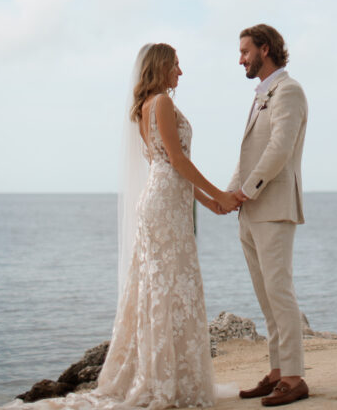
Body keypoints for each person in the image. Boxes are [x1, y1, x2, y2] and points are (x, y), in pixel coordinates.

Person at [96, 42, 239, 409]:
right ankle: (162, 381)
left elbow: (173, 170)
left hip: (167, 201)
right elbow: (176, 161)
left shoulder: (149, 105)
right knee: (165, 287)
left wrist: (209, 204)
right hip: (162, 206)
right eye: (176, 64)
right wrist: (220, 193)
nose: (181, 71)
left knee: (168, 285)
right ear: (161, 67)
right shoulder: (160, 102)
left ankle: (172, 375)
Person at [228, 25, 309, 407]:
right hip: (250, 210)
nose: (240, 58)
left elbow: (279, 148)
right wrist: (230, 195)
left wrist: (248, 190)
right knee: (266, 298)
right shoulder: (261, 94)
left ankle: (294, 378)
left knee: (280, 293)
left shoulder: (289, 91)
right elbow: (248, 155)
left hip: (273, 207)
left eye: (245, 51)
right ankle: (277, 372)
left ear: (265, 48)